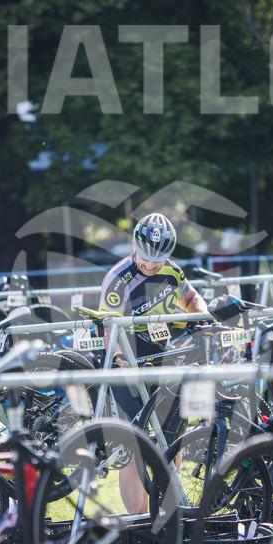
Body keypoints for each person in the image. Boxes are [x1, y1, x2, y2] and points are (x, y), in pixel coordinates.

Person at [97, 212, 208, 513]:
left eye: (157, 261)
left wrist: (202, 316)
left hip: (161, 358)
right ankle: (139, 520)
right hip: (126, 360)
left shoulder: (171, 271)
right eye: (145, 258)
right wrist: (120, 358)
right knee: (135, 443)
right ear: (134, 247)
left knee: (171, 437)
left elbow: (191, 298)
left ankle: (168, 511)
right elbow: (108, 328)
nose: (150, 265)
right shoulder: (119, 277)